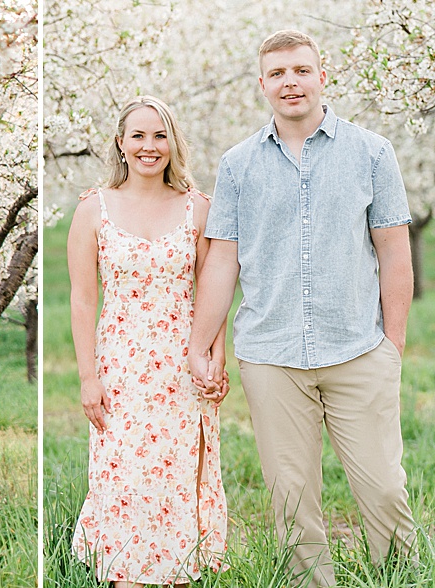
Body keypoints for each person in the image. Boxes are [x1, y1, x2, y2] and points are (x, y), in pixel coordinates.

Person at [187, 30, 415, 587]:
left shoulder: (372, 152)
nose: (291, 82)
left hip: (358, 348)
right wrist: (199, 342)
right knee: (292, 498)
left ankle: (405, 578)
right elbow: (222, 261)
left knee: (384, 487)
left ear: (321, 74)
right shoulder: (238, 164)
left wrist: (393, 346)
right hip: (272, 355)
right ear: (262, 84)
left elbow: (393, 252)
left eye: (301, 70)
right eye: (278, 74)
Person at [69, 95, 229, 586]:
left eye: (159, 135)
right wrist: (88, 377)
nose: (149, 146)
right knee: (124, 477)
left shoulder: (199, 209)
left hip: (182, 369)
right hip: (120, 371)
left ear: (172, 143)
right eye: (138, 135)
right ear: (121, 143)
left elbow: (215, 291)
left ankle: (177, 572)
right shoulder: (93, 209)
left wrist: (215, 363)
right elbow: (80, 299)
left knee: (178, 479)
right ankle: (127, 574)